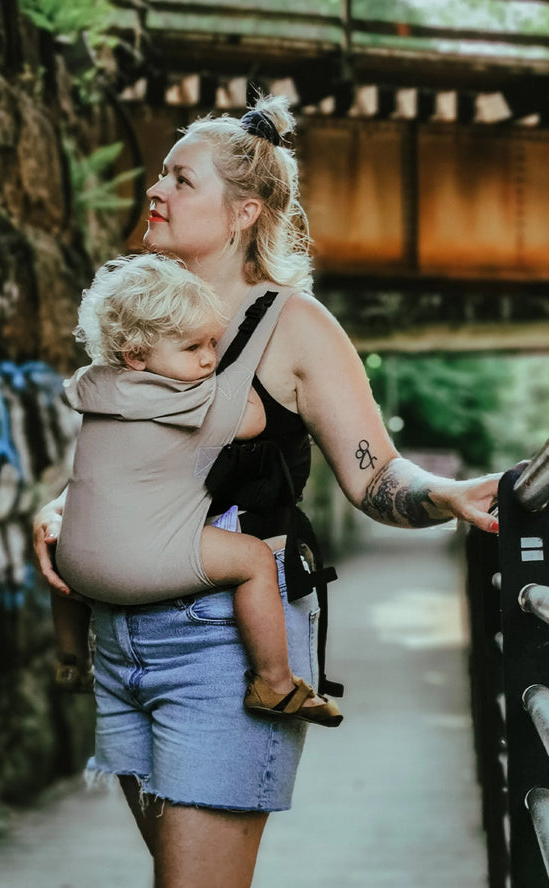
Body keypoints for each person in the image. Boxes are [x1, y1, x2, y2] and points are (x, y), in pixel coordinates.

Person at [33, 93, 500, 888]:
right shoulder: (139, 316)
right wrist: (64, 509)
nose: (156, 190)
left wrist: (445, 493)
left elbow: (376, 472)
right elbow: (122, 457)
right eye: (161, 174)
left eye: (182, 179)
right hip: (123, 644)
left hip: (225, 644)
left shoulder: (295, 325)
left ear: (244, 210)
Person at [50, 252, 341, 727]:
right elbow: (256, 418)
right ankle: (275, 682)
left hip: (75, 572)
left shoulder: (94, 388)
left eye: (214, 342)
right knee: (252, 560)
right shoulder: (189, 403)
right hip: (142, 567)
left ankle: (69, 660)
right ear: (137, 356)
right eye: (193, 348)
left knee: (74, 544)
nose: (209, 358)